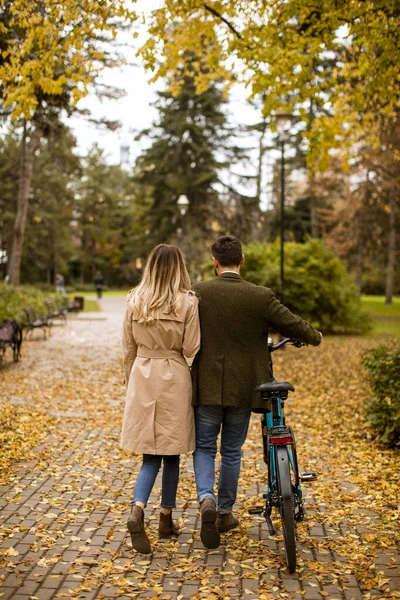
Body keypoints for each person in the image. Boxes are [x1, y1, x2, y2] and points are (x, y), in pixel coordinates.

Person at [191, 235, 322, 549]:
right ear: (242, 260)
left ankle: (206, 499)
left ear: (214, 261)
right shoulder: (259, 296)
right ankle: (224, 513)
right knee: (232, 452)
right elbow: (292, 324)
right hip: (245, 387)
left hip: (207, 384)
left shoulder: (198, 293)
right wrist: (314, 335)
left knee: (205, 447)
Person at [121, 244, 200, 554]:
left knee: (149, 453)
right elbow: (192, 347)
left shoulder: (134, 301)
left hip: (142, 374)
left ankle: (138, 509)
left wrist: (130, 382)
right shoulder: (187, 303)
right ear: (179, 268)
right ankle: (165, 516)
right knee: (172, 450)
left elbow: (127, 348)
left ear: (150, 267)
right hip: (174, 376)